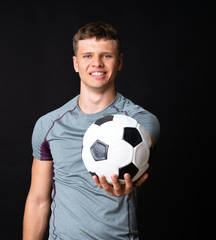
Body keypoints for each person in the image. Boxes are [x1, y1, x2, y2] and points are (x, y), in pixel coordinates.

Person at [23, 21, 160, 240]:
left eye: (106, 55)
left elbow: (147, 141)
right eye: (87, 56)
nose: (97, 63)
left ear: (120, 62)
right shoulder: (48, 124)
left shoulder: (138, 120)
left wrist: (129, 183)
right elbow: (38, 200)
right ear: (75, 63)